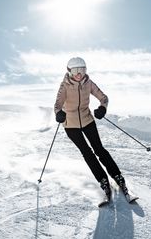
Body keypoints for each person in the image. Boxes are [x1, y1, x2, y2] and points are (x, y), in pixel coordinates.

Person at [54, 57, 128, 205]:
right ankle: (103, 180)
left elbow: (104, 97)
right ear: (69, 72)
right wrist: (59, 114)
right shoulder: (65, 86)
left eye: (82, 70)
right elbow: (57, 104)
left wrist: (102, 108)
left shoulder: (89, 83)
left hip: (88, 120)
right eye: (75, 70)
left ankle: (117, 176)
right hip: (71, 125)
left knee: (99, 149)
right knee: (87, 152)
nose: (79, 74)